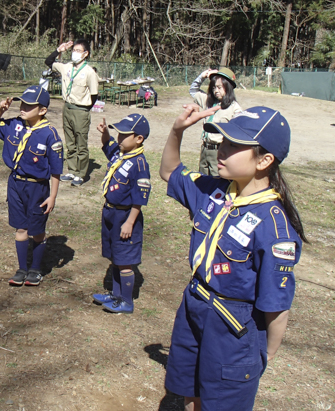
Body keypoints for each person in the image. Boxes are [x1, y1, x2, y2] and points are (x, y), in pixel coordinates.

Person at [159, 105, 307, 411]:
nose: (221, 150)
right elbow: (169, 172)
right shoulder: (215, 191)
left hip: (232, 327)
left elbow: (276, 305)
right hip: (195, 306)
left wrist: (264, 355)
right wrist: (177, 131)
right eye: (222, 142)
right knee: (191, 392)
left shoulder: (274, 226)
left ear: (265, 160)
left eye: (234, 145)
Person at [0, 85, 63, 286]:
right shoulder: (15, 125)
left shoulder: (50, 135)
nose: (23, 108)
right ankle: (22, 268)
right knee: (20, 227)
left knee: (37, 230)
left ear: (42, 110)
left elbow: (56, 170)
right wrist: (0, 110)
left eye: (29, 106)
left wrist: (52, 196)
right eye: (22, 103)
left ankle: (36, 269)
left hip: (37, 188)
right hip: (15, 184)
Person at [93, 114, 151, 314]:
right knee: (115, 257)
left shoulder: (140, 164)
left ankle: (126, 301)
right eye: (118, 134)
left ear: (139, 139)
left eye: (124, 135)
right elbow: (107, 146)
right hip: (110, 212)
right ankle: (115, 295)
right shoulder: (120, 154)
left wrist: (129, 222)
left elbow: (139, 198)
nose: (119, 139)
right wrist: (106, 134)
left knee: (125, 261)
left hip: (125, 216)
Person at [45, 39, 98, 187]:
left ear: (86, 54)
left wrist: (85, 108)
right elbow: (48, 62)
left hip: (81, 110)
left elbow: (94, 95)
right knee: (70, 142)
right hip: (67, 107)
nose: (74, 53)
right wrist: (59, 50)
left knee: (81, 143)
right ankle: (71, 170)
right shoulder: (67, 67)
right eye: (73, 50)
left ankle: (80, 174)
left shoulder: (89, 72)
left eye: (78, 51)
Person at [189, 67, 242, 176]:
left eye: (219, 87)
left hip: (219, 151)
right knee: (202, 179)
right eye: (214, 87)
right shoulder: (208, 101)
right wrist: (202, 76)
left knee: (217, 181)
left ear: (228, 87)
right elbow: (193, 90)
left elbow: (238, 133)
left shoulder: (235, 108)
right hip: (205, 148)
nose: (216, 91)